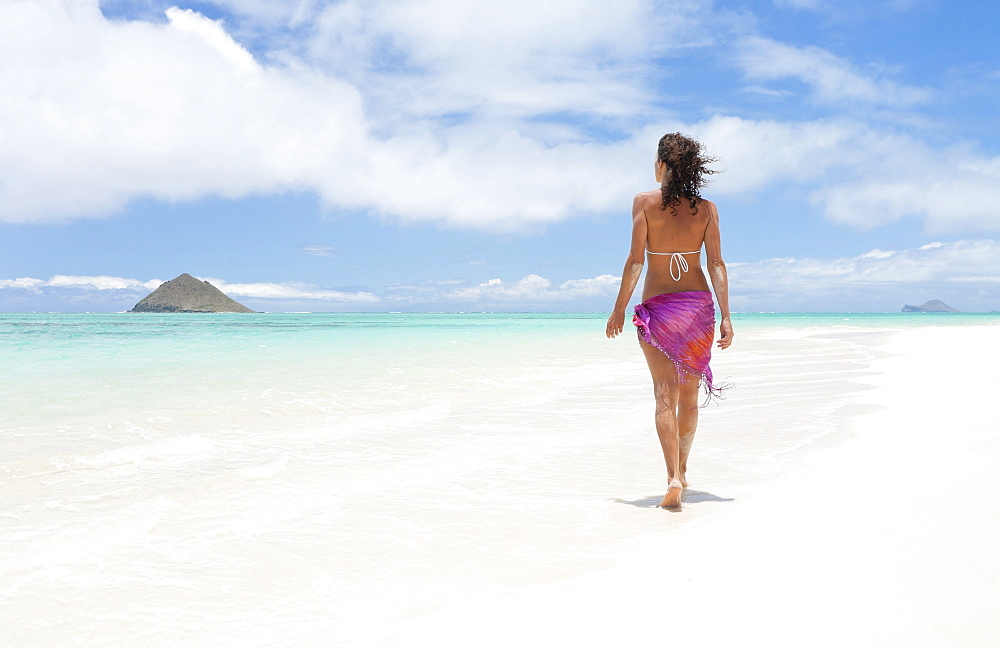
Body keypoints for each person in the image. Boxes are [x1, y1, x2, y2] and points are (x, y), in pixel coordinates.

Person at [605, 132, 733, 510]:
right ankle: (683, 467)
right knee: (689, 398)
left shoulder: (644, 203)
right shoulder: (707, 209)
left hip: (659, 308)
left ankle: (672, 477)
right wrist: (726, 316)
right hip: (696, 309)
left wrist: (617, 309)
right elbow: (716, 265)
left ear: (661, 165)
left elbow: (635, 261)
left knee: (664, 395)